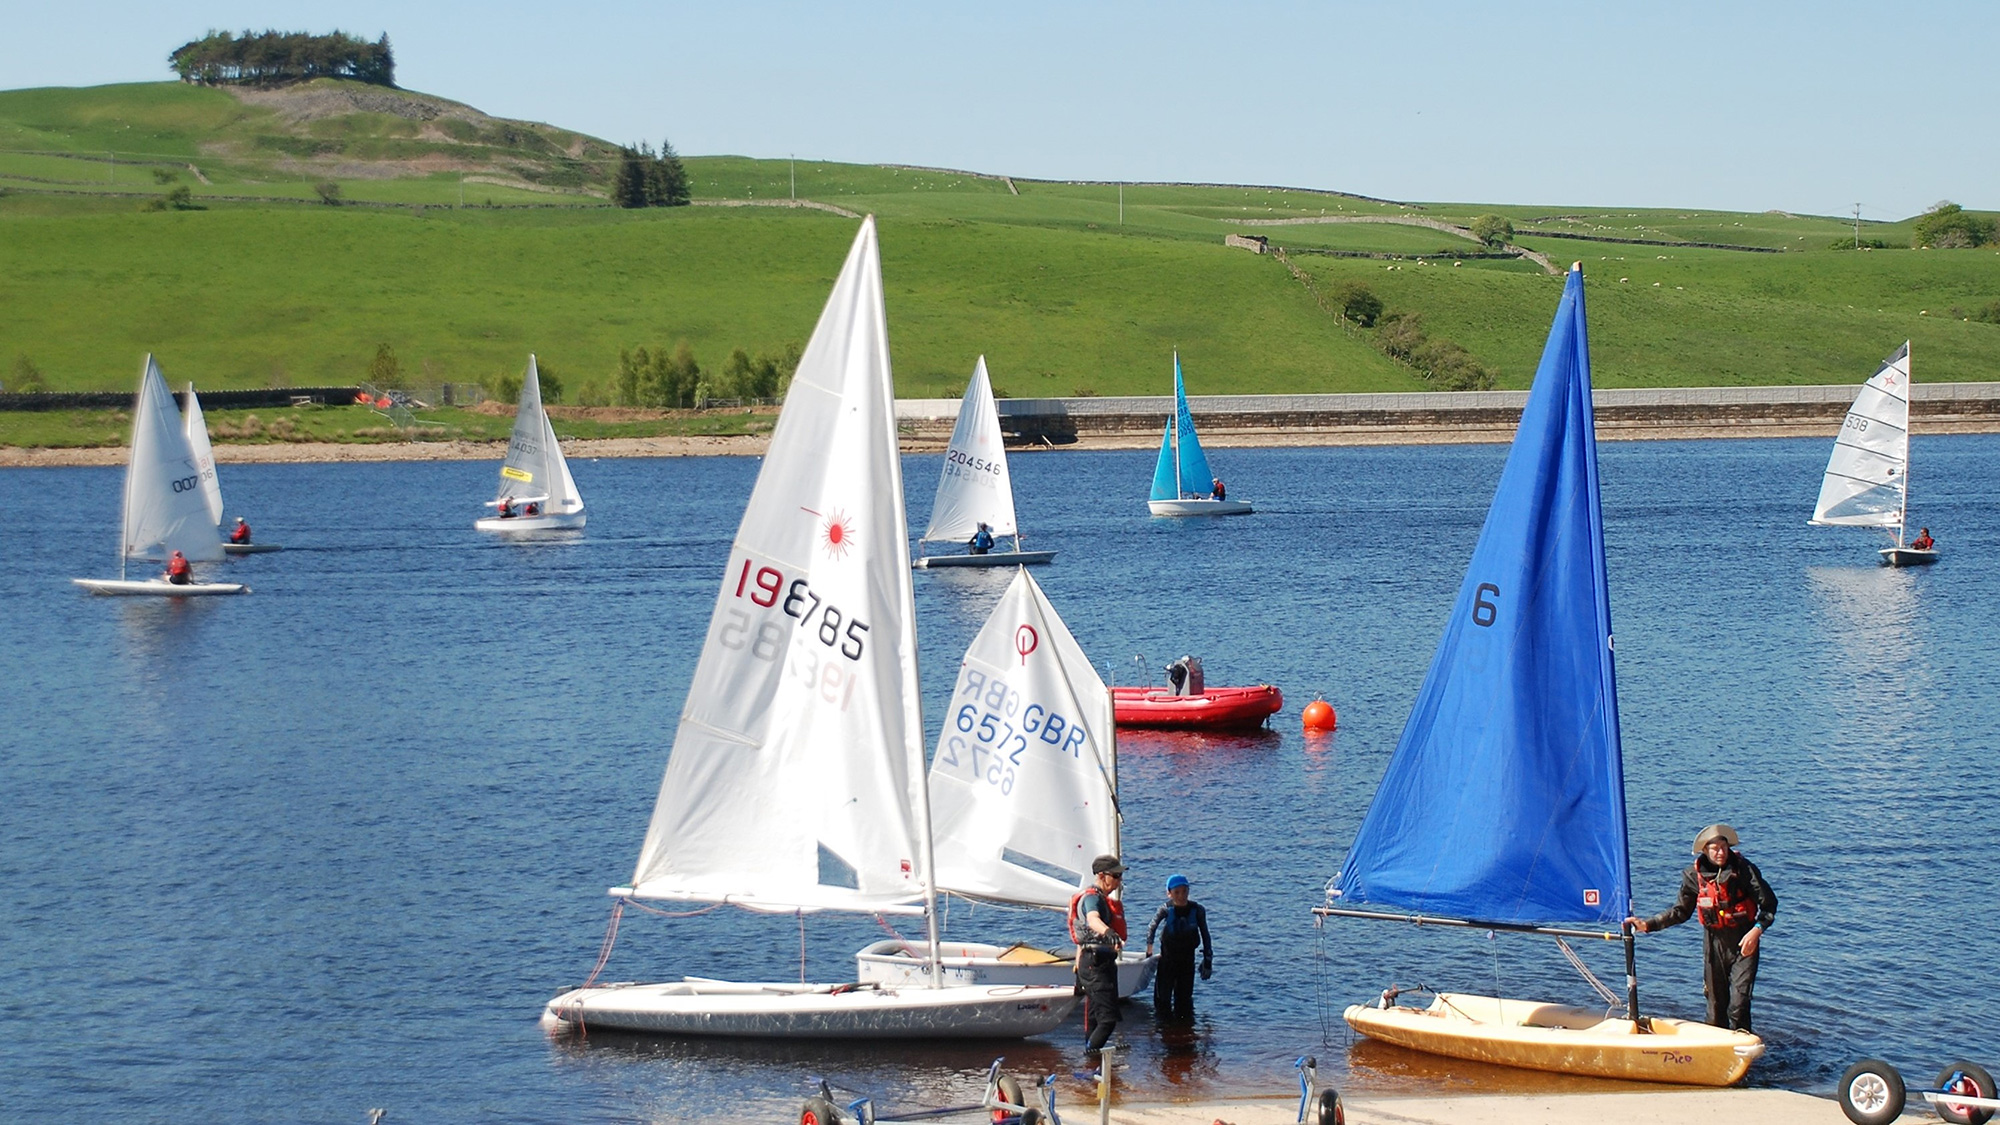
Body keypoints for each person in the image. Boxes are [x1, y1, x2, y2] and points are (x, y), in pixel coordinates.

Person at [1626, 823, 1777, 1033]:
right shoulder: (1692, 876)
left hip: (1744, 942)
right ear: (1705, 850)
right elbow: (1680, 911)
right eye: (1714, 848)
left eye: (1724, 847)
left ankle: (1743, 1043)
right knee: (1715, 1007)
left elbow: (1769, 905)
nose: (1721, 852)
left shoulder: (1744, 870)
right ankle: (1716, 1052)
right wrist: (1649, 925)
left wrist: (1756, 930)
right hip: (1713, 943)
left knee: (1738, 1003)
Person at [1072, 854, 1128, 1059]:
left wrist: (1078, 973)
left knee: (1095, 1018)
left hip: (1098, 963)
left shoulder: (1103, 899)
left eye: (1120, 876)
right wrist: (1108, 932)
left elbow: (1080, 943)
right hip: (1094, 964)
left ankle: (1091, 1071)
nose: (1119, 880)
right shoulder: (1092, 898)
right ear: (1103, 876)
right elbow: (1092, 919)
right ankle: (1090, 1060)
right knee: (1107, 1020)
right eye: (1116, 876)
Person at [1144, 874, 1213, 1024]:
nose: (1181, 896)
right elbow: (1152, 928)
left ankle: (1185, 1033)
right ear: (1169, 893)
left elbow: (1206, 935)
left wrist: (1208, 959)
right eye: (1177, 892)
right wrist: (1149, 950)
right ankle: (1164, 1033)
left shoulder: (1198, 910)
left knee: (1184, 1001)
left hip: (1187, 960)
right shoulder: (1165, 909)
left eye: (1184, 891)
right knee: (1163, 1001)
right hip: (1168, 960)